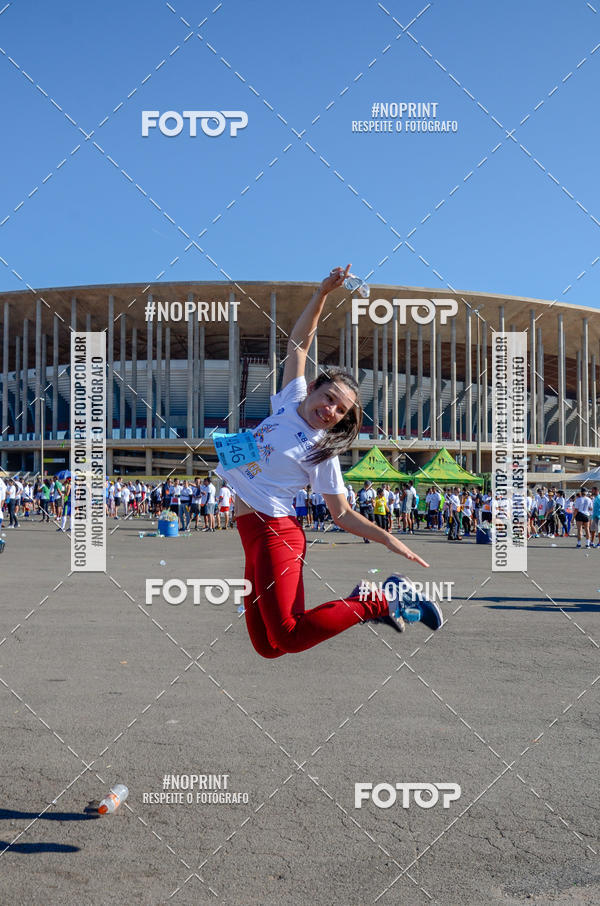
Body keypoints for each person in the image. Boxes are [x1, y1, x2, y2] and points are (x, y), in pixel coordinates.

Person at [215, 266, 442, 659]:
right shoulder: (289, 400)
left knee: (288, 635)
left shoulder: (322, 449)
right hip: (248, 532)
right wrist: (322, 293)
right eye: (330, 397)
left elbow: (342, 514)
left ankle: (382, 601)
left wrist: (388, 539)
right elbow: (298, 345)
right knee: (268, 647)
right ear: (314, 387)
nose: (331, 409)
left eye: (341, 409)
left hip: (275, 533)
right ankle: (367, 599)